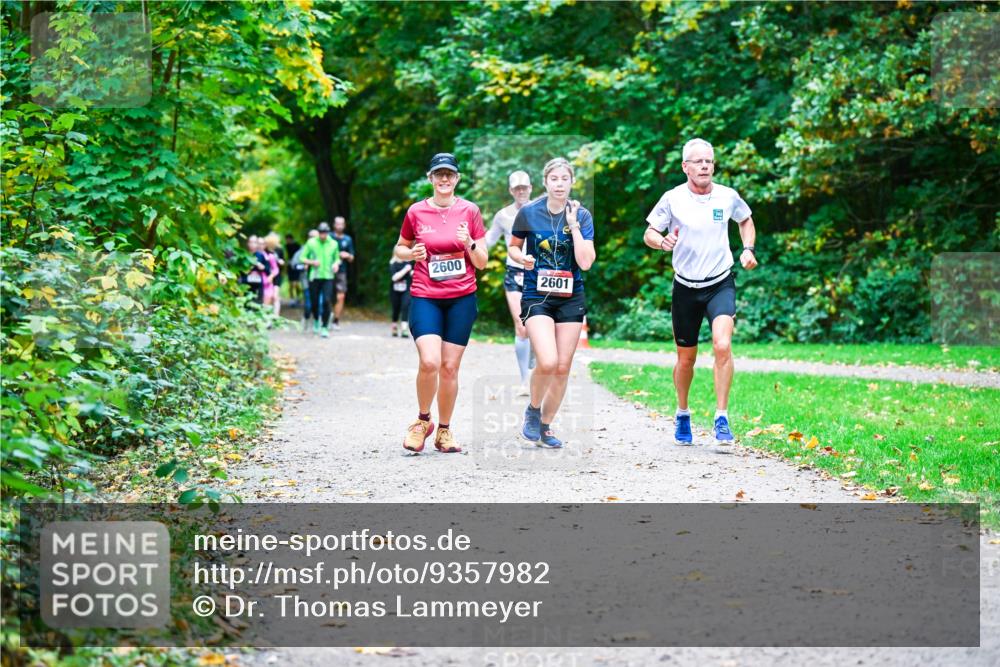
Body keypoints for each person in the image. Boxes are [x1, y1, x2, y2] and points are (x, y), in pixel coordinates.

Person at [642, 138, 758, 446]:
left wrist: (747, 248)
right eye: (698, 161)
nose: (705, 165)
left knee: (722, 345)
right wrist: (662, 242)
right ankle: (682, 413)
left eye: (709, 161)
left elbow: (745, 220)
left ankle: (721, 417)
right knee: (686, 359)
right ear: (685, 167)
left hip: (720, 282)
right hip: (685, 288)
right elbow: (650, 232)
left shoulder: (727, 196)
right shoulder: (673, 198)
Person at [394, 152, 488, 454]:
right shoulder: (416, 212)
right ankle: (423, 421)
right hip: (426, 296)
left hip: (461, 297)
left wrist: (468, 244)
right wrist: (412, 254)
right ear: (430, 178)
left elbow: (482, 261)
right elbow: (400, 249)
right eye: (439, 174)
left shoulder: (470, 211)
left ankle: (444, 431)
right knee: (430, 361)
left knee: (449, 368)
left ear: (457, 178)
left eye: (449, 174)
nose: (444, 179)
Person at [508, 157, 595, 449]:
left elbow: (586, 261)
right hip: (537, 296)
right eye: (554, 179)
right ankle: (533, 411)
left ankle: (545, 427)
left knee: (562, 366)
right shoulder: (529, 213)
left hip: (571, 297)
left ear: (572, 182)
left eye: (565, 179)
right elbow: (513, 248)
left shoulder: (581, 215)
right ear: (545, 182)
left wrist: (574, 226)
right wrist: (522, 259)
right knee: (547, 361)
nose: (559, 184)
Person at [485, 170, 535, 396]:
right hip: (514, 272)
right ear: (511, 191)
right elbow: (488, 240)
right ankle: (525, 380)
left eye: (524, 187)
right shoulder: (502, 215)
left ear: (531, 188)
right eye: (517, 188)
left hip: (538, 274)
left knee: (539, 326)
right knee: (521, 325)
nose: (521, 191)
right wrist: (466, 243)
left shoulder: (541, 210)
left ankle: (536, 372)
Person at [301, 222, 341, 338]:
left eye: (325, 233)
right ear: (318, 233)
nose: (323, 235)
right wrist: (312, 262)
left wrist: (336, 264)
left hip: (328, 276)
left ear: (328, 233)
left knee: (327, 301)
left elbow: (337, 259)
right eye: (321, 233)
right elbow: (302, 258)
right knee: (314, 302)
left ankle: (324, 326)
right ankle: (316, 321)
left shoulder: (333, 244)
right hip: (314, 276)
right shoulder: (311, 243)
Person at [291, 229, 318, 331]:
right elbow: (294, 264)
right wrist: (303, 266)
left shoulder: (322, 249)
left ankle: (317, 322)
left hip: (319, 280)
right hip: (306, 280)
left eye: (315, 237)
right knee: (308, 304)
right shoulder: (302, 251)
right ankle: (306, 318)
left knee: (320, 303)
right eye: (311, 237)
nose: (313, 239)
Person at [332, 216, 355, 330]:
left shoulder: (348, 239)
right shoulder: (329, 237)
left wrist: (347, 255)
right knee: (328, 296)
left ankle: (335, 320)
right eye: (337, 224)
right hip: (328, 270)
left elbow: (352, 257)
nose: (339, 226)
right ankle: (324, 317)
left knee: (341, 296)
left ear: (344, 225)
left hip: (342, 271)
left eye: (342, 224)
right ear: (334, 225)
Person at [389, 249, 414, 338]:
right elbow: (394, 278)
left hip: (406, 290)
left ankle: (404, 329)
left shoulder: (409, 263)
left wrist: (412, 272)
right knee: (396, 308)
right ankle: (394, 326)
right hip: (395, 291)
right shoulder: (393, 263)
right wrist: (405, 270)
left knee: (405, 306)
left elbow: (412, 273)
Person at [262, 232, 283, 317]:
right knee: (268, 297)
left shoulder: (279, 250)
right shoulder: (264, 251)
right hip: (266, 275)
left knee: (275, 296)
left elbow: (280, 264)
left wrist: (281, 262)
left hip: (276, 275)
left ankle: (275, 315)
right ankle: (268, 316)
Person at [243, 235, 268, 306]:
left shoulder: (260, 255)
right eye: (251, 242)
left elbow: (268, 270)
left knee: (257, 304)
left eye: (254, 242)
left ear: (257, 244)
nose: (252, 244)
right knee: (246, 304)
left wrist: (262, 267)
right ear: (248, 243)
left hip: (258, 284)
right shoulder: (244, 255)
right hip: (246, 284)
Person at [284, 233, 302, 306]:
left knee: (296, 283)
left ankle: (297, 297)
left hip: (296, 265)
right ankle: (292, 299)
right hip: (290, 266)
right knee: (291, 284)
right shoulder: (286, 246)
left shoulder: (297, 245)